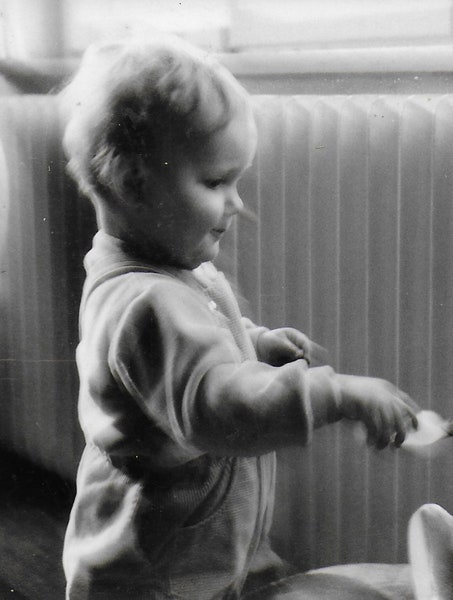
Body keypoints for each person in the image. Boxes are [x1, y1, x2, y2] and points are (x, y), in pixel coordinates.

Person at [59, 35, 420, 600]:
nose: (236, 202)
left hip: (192, 559)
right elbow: (214, 405)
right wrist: (337, 395)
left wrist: (252, 344)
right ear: (134, 183)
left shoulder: (165, 277)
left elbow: (189, 353)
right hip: (156, 578)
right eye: (214, 182)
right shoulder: (143, 302)